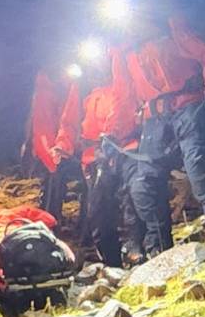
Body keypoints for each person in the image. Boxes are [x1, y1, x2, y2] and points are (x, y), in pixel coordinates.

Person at [112, 13, 205, 257]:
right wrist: (117, 134)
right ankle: (159, 247)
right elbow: (123, 96)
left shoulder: (173, 29)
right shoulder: (124, 52)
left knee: (199, 161)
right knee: (143, 182)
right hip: (154, 118)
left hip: (188, 106)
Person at [53, 67, 140, 266]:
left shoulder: (123, 69)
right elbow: (70, 120)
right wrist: (63, 144)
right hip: (94, 158)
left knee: (134, 203)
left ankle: (139, 252)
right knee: (98, 214)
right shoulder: (83, 86)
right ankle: (113, 263)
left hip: (127, 150)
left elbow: (127, 107)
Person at [27, 68, 79, 221]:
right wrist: (52, 154)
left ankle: (51, 218)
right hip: (51, 146)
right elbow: (43, 126)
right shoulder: (46, 92)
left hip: (61, 144)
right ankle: (49, 220)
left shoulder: (64, 90)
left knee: (57, 184)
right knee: (52, 183)